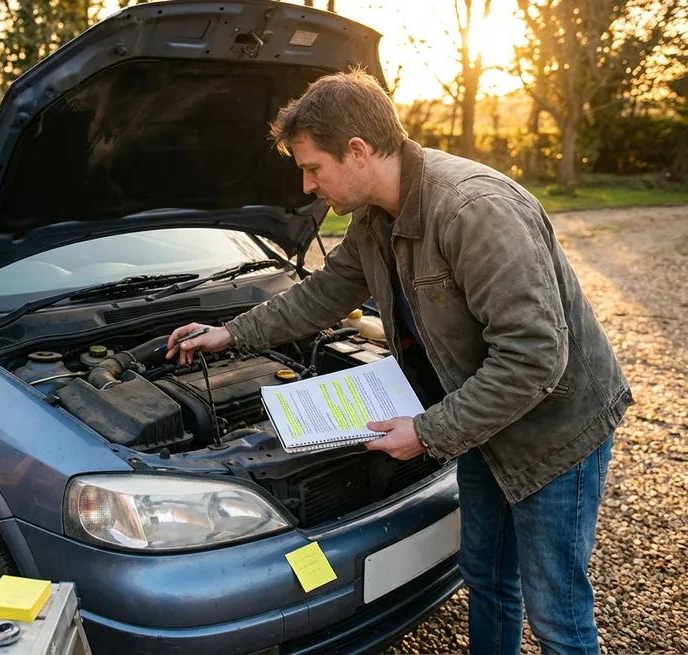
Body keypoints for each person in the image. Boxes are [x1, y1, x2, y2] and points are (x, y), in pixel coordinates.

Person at [165, 69, 633, 655]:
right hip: (485, 425)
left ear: (357, 152)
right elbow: (321, 295)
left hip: (553, 432)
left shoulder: (472, 210)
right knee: (487, 581)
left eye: (313, 168)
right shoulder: (373, 220)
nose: (308, 186)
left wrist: (430, 431)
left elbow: (535, 358)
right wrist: (229, 335)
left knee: (557, 618)